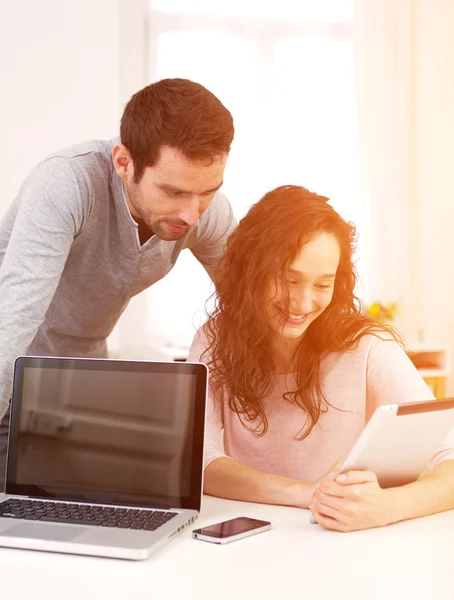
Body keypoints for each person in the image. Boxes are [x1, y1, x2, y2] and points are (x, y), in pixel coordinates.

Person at [187, 185, 454, 532]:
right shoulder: (215, 341)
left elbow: (448, 455)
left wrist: (387, 506)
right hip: (253, 540)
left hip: (341, 542)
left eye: (322, 285)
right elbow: (198, 462)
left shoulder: (368, 348)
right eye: (288, 280)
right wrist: (305, 493)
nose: (301, 303)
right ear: (251, 271)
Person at [0, 77, 236, 425]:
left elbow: (251, 304)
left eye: (208, 192)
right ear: (123, 163)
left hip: (78, 382)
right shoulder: (68, 183)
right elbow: (12, 326)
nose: (191, 214)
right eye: (172, 192)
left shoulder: (203, 209)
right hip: (11, 364)